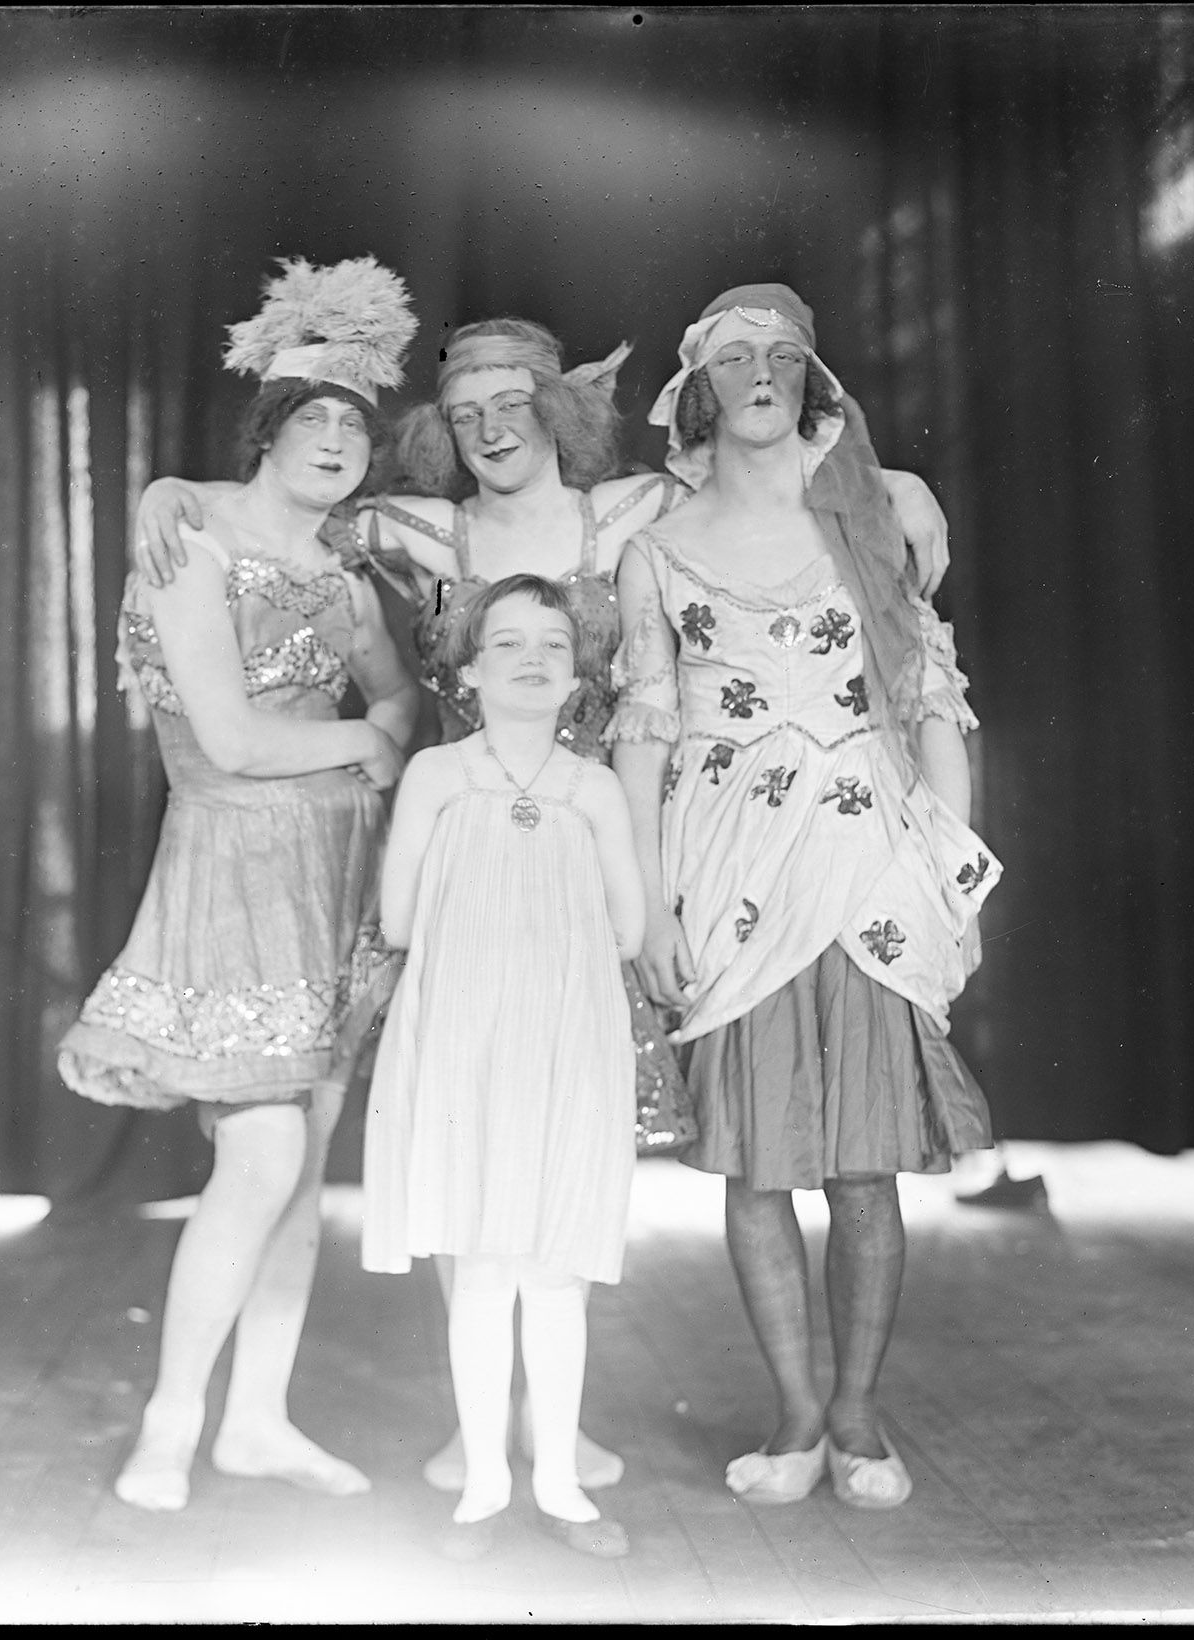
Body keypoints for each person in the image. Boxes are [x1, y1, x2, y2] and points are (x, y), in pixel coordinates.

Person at [128, 315, 959, 1494]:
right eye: (464, 415)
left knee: (572, 1137)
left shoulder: (629, 509)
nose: (490, 428)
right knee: (465, 1127)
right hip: (466, 855)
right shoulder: (421, 526)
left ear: (558, 412)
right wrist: (170, 488)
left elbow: (771, 463)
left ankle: (555, 1414)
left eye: (511, 405)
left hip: (594, 843)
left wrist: (902, 481)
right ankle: (481, 1420)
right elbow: (279, 502)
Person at [610, 283, 1002, 1511]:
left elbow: (933, 701)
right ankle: (788, 1408)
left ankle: (854, 1414)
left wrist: (951, 872)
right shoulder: (653, 548)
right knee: (758, 1168)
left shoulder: (874, 515)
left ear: (813, 383)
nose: (762, 370)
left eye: (783, 353)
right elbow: (641, 735)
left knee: (864, 1168)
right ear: (696, 393)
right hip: (727, 872)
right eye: (734, 357)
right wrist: (647, 908)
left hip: (864, 862)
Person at [56, 257, 421, 1513]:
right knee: (260, 1159)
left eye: (350, 425)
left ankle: (255, 1420)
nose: (331, 438)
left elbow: (398, 693)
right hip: (229, 861)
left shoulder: (343, 568)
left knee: (303, 1164)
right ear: (266, 430)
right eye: (308, 418)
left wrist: (380, 728)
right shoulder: (187, 528)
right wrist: (362, 743)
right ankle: (170, 1423)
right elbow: (227, 738)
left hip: (331, 870)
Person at [361, 574, 645, 1561]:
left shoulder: (595, 787)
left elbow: (628, 923)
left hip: (567, 1045)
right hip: (459, 1040)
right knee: (479, 1269)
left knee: (555, 1271)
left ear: (577, 678)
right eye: (507, 643)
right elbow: (397, 918)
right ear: (466, 670)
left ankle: (559, 1481)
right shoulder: (438, 777)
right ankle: (484, 1483)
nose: (531, 659)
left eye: (553, 646)